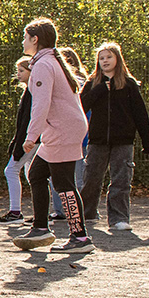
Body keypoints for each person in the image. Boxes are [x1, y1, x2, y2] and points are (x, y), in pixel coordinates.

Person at [13, 17, 94, 253]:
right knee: (36, 173)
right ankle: (40, 228)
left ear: (35, 39)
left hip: (62, 131)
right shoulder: (49, 61)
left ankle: (79, 238)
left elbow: (41, 104)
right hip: (64, 128)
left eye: (25, 37)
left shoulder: (43, 65)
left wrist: (31, 136)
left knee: (64, 183)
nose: (23, 41)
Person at [79, 42, 149, 232]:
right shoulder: (92, 83)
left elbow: (140, 113)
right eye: (101, 58)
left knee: (121, 180)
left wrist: (146, 139)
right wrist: (100, 90)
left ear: (117, 59)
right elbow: (81, 106)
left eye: (109, 57)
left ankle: (119, 218)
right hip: (98, 139)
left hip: (123, 140)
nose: (105, 61)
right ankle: (87, 213)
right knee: (91, 178)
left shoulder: (128, 84)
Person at [0, 57, 37, 226]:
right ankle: (42, 213)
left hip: (31, 140)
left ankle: (15, 211)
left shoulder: (33, 92)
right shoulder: (29, 92)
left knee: (11, 170)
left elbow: (28, 121)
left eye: (21, 71)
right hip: (30, 139)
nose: (17, 74)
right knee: (31, 173)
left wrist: (22, 143)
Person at [60, 46, 93, 194]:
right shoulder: (85, 82)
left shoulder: (73, 82)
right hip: (84, 133)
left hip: (75, 135)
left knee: (75, 177)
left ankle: (80, 211)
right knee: (79, 175)